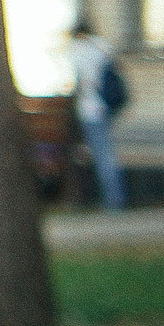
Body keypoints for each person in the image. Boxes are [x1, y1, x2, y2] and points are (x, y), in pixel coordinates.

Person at [67, 19, 125, 211]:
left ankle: (113, 201)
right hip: (108, 106)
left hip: (90, 108)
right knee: (103, 152)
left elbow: (78, 81)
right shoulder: (103, 47)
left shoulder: (78, 50)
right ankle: (113, 197)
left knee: (101, 154)